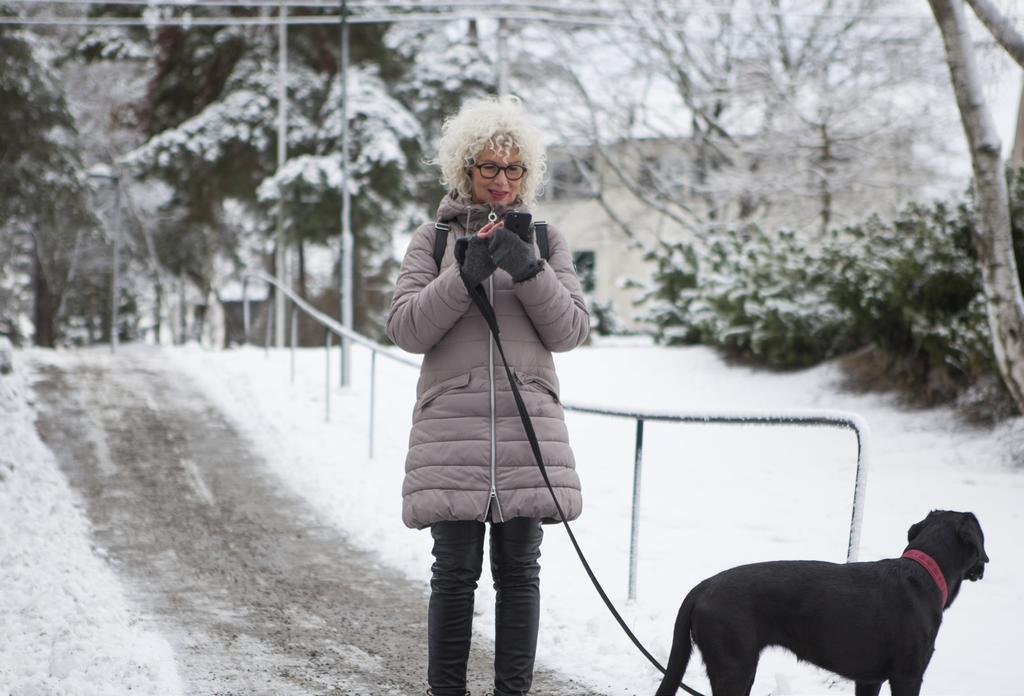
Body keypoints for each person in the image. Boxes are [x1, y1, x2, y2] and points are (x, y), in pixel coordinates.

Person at [385, 95, 590, 696]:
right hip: (453, 433)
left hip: (529, 433)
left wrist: (528, 270)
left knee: (520, 574)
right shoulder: (433, 240)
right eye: (489, 168)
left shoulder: (548, 240)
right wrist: (462, 274)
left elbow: (571, 330)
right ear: (464, 170)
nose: (502, 181)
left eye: (514, 168)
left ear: (528, 172)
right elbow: (406, 329)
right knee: (453, 576)